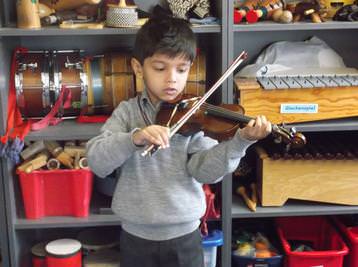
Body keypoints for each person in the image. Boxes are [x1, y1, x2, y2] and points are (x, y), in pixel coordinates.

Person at [86, 16, 271, 267]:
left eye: (181, 69)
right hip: (136, 237)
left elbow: (205, 172)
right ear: (138, 68)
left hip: (185, 237)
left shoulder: (195, 115)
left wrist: (240, 142)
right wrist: (134, 138)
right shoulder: (127, 113)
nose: (172, 79)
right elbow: (97, 161)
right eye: (160, 68)